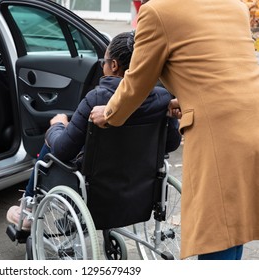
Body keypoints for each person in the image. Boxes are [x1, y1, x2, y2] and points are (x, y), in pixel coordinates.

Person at [90, 0, 259, 260]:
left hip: (220, 133)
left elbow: (136, 82)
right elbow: (222, 66)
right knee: (235, 224)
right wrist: (193, 97)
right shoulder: (234, 4)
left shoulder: (158, 11)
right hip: (251, 117)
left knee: (216, 230)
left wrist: (109, 113)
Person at [6, 31, 181, 230]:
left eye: (103, 62)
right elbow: (172, 143)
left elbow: (63, 150)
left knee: (52, 140)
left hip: (96, 184)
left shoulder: (97, 99)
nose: (102, 66)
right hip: (139, 181)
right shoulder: (162, 98)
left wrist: (57, 126)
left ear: (114, 65)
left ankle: (27, 208)